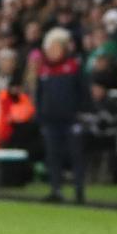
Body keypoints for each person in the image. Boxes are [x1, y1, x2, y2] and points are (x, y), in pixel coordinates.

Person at [35, 28, 87, 204]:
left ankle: (79, 192)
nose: (52, 51)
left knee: (75, 156)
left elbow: (83, 93)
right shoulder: (44, 70)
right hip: (50, 120)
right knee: (52, 156)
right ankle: (55, 189)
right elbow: (39, 95)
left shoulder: (73, 67)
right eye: (50, 48)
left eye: (55, 48)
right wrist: (40, 116)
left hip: (71, 120)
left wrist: (82, 114)